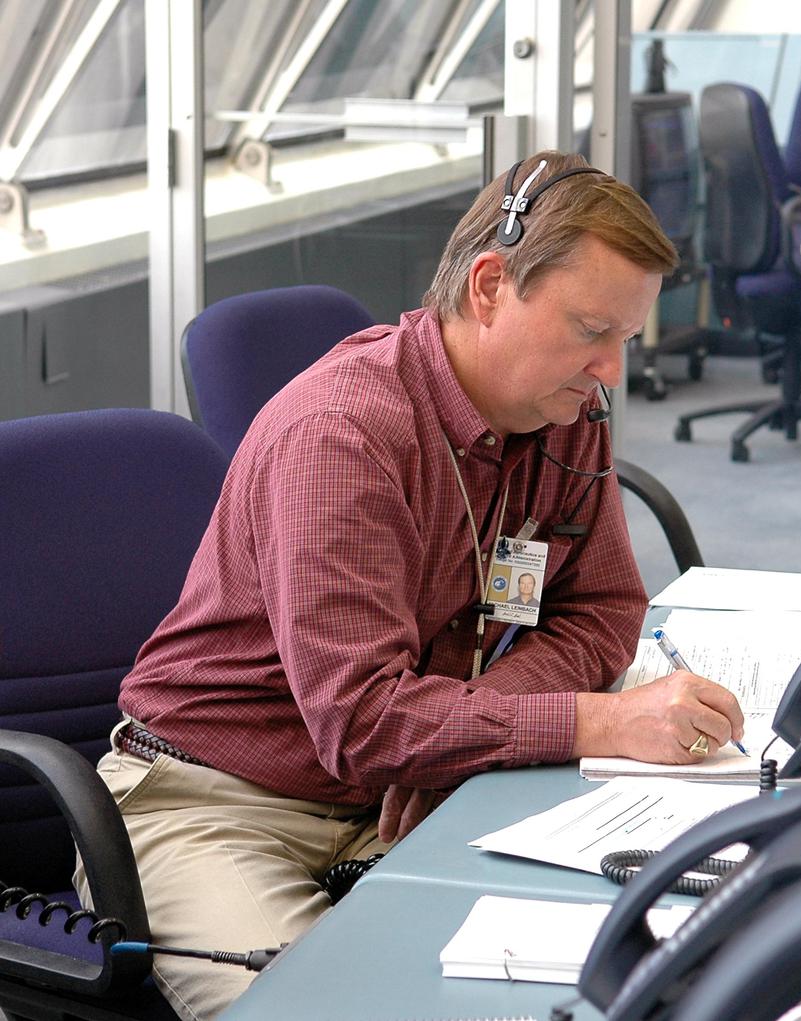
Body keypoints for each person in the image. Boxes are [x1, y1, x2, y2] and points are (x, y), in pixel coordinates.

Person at [78, 150, 744, 1020]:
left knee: (604, 962)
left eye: (625, 338)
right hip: (213, 801)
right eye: (592, 330)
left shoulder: (563, 408)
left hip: (397, 784)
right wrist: (597, 719)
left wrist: (471, 725)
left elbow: (604, 607)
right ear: (489, 285)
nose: (611, 370)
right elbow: (362, 721)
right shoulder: (341, 436)